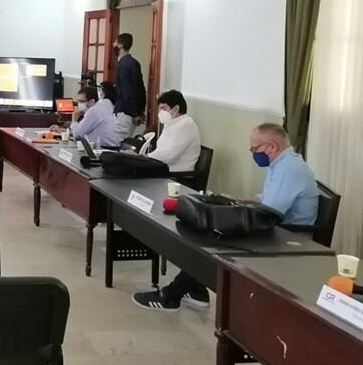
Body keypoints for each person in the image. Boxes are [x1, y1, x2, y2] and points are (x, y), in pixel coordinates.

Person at [133, 123, 318, 312]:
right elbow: (265, 200)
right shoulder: (281, 163)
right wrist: (232, 200)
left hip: (288, 238)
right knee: (210, 233)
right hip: (275, 230)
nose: (253, 153)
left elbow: (270, 213)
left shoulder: (290, 169)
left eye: (255, 148)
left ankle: (171, 296)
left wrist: (234, 213)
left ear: (271, 146)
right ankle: (195, 288)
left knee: (215, 239)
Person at [144, 90, 201, 172]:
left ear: (176, 108)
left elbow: (169, 155)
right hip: (163, 168)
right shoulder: (171, 124)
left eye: (164, 108)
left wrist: (146, 157)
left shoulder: (186, 124)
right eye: (159, 109)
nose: (160, 113)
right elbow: (161, 151)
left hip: (176, 175)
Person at [113, 33, 146, 137]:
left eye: (115, 42)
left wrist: (134, 113)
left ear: (120, 45)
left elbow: (126, 91)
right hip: (134, 111)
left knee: (119, 143)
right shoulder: (135, 63)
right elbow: (141, 89)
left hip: (124, 111)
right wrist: (140, 111)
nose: (113, 45)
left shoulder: (122, 65)